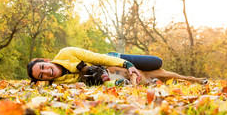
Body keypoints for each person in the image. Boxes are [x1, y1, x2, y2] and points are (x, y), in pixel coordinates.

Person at [27, 47, 163, 85]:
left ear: (46, 60)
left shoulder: (66, 53)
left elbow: (97, 57)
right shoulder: (59, 85)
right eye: (41, 76)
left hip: (108, 60)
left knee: (156, 62)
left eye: (43, 67)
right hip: (105, 75)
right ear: (43, 81)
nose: (46, 72)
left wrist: (127, 64)